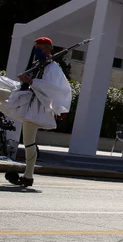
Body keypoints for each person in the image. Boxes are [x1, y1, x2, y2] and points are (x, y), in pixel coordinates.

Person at [0, 37, 72, 189]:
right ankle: (28, 176)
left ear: (46, 49)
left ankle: (28, 176)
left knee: (29, 141)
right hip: (28, 100)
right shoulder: (40, 65)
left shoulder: (53, 68)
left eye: (38, 48)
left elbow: (55, 90)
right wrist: (26, 80)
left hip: (37, 107)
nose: (36, 51)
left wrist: (31, 81)